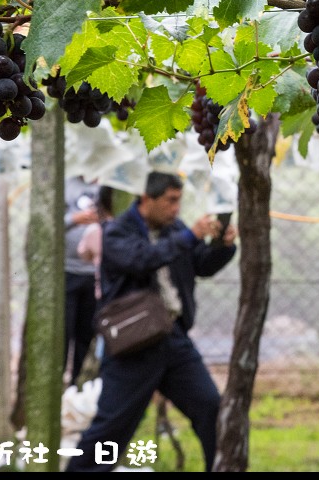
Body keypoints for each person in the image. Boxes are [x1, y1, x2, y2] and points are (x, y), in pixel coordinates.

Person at [67, 172, 237, 472]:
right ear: (147, 199)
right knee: (111, 429)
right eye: (170, 201)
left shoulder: (176, 229)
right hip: (133, 345)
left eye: (179, 201)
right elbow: (142, 259)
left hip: (174, 341)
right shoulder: (118, 232)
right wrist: (191, 237)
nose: (176, 208)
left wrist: (223, 246)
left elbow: (202, 265)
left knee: (212, 409)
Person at [63, 175, 101, 387]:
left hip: (95, 275)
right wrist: (74, 219)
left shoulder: (111, 183)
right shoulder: (67, 183)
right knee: (62, 335)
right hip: (66, 271)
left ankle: (77, 390)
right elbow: (49, 221)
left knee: (86, 338)